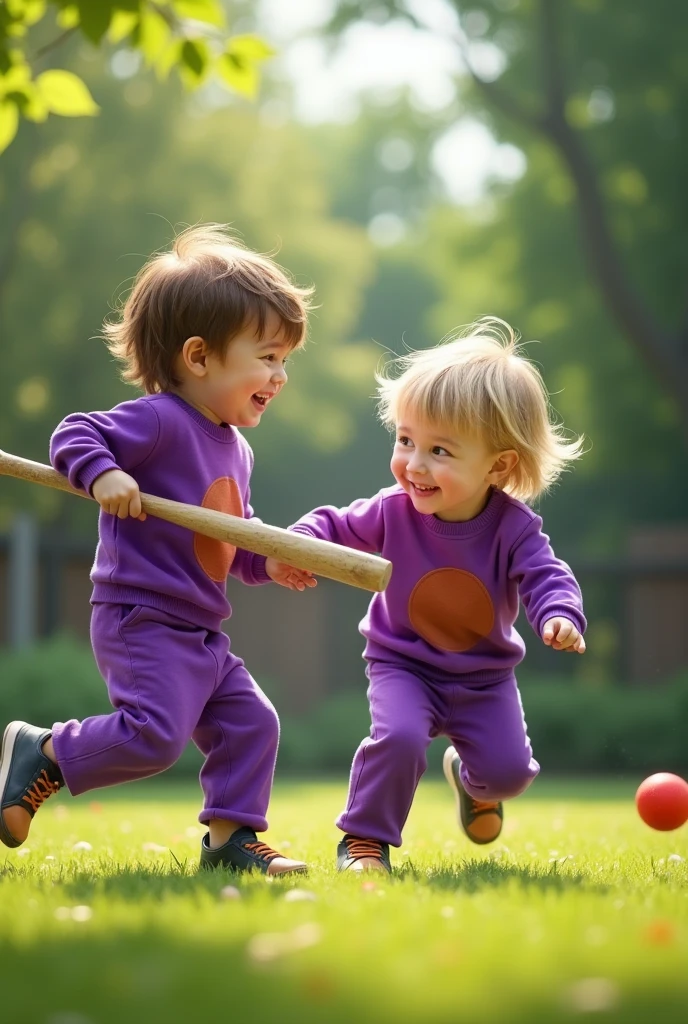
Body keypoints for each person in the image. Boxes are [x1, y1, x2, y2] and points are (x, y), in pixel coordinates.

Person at [0, 225, 315, 875]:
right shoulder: (162, 420)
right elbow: (76, 433)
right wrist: (105, 475)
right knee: (153, 737)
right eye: (267, 357)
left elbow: (230, 534)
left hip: (200, 629)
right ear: (199, 358)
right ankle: (46, 751)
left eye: (285, 360)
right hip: (143, 617)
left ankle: (230, 842)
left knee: (252, 724)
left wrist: (268, 560)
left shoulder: (237, 446)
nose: (280, 376)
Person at [267, 319, 586, 873]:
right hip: (403, 664)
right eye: (406, 439)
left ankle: (473, 781)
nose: (414, 464)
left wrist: (559, 614)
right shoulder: (392, 510)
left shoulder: (515, 529)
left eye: (439, 450)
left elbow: (546, 576)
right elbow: (331, 524)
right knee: (399, 739)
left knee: (510, 774)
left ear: (498, 465)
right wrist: (300, 543)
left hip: (484, 678)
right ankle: (364, 841)